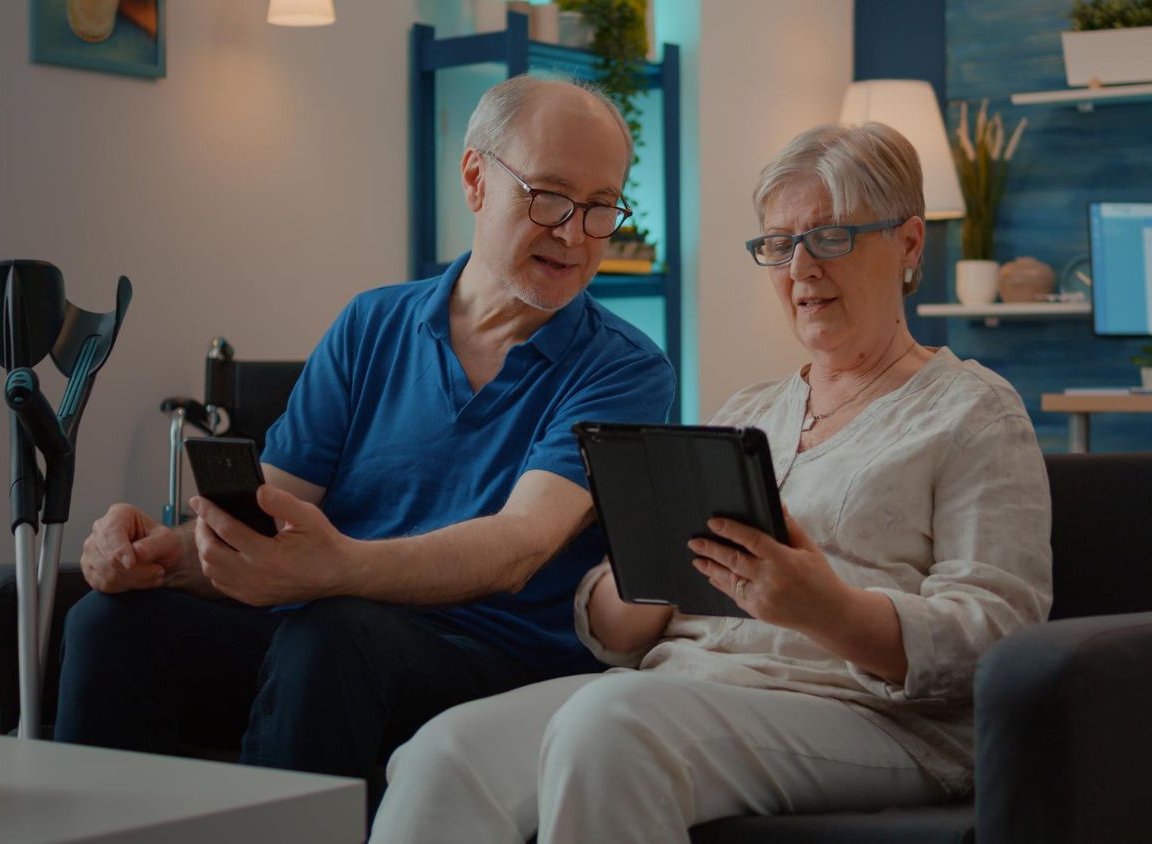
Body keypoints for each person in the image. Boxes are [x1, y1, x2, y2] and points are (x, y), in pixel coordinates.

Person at [369, 121, 1054, 843]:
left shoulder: (974, 411)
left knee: (610, 727)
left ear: (909, 244)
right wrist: (633, 586)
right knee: (443, 753)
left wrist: (831, 610)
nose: (800, 269)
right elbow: (620, 629)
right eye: (779, 245)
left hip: (872, 716)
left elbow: (1000, 640)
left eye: (829, 237)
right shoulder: (748, 412)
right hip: (683, 686)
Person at [53, 75, 676, 815]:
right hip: (328, 629)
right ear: (477, 179)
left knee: (331, 633)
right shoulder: (371, 324)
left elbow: (519, 547)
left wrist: (335, 569)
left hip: (491, 658)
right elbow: (265, 518)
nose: (575, 234)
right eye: (548, 196)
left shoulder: (626, 367)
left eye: (601, 206)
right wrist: (150, 555)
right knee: (110, 621)